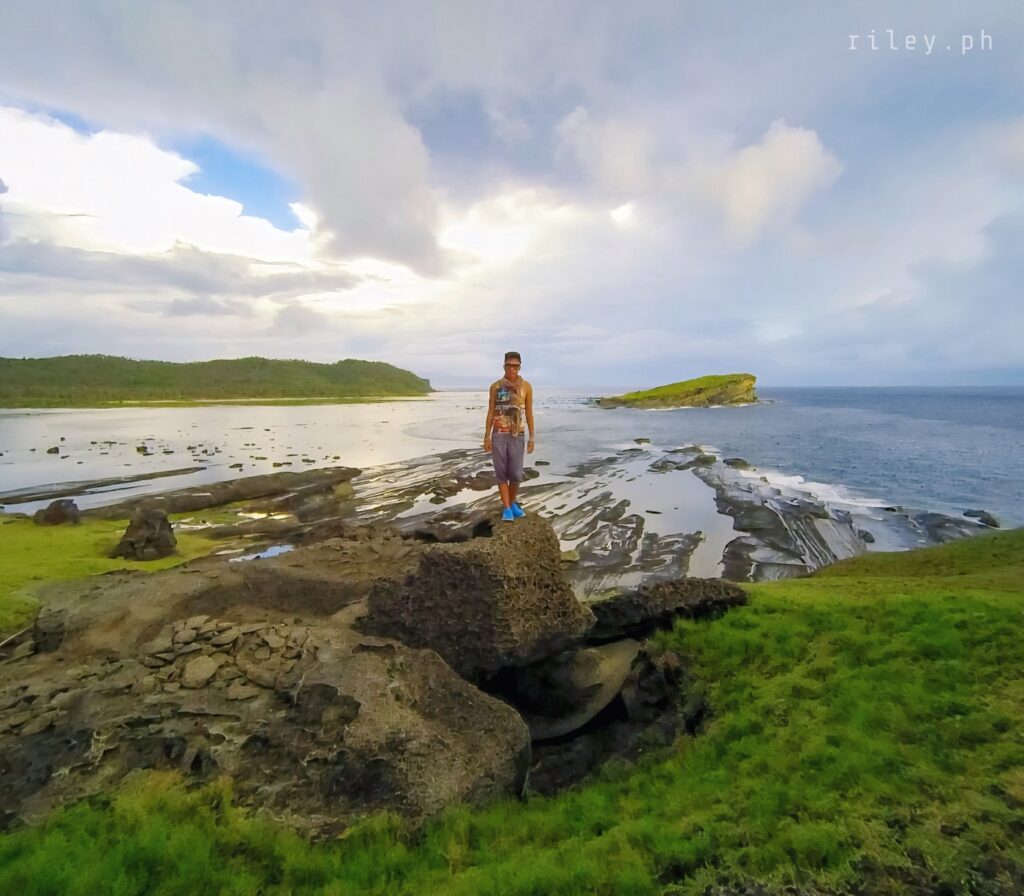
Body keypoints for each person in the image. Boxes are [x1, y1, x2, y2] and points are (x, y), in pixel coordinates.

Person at [483, 351, 535, 521]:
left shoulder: (526, 387)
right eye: (509, 365)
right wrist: (487, 436)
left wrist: (532, 438)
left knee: (516, 474)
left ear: (520, 367)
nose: (512, 369)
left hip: (517, 435)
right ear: (504, 366)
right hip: (499, 435)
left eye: (515, 366)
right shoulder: (495, 387)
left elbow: (529, 413)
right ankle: (506, 508)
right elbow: (491, 412)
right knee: (501, 474)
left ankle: (512, 503)